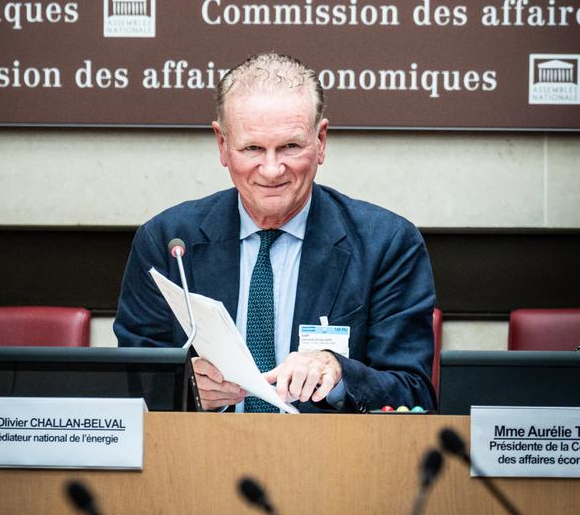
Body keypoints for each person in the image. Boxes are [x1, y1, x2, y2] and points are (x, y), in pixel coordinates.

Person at [114, 52, 436, 413]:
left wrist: (339, 373)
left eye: (290, 146)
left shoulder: (387, 245)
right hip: (200, 460)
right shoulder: (168, 244)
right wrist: (182, 389)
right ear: (222, 145)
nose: (271, 169)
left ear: (321, 142)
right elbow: (129, 385)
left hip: (332, 462)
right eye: (252, 148)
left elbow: (415, 393)